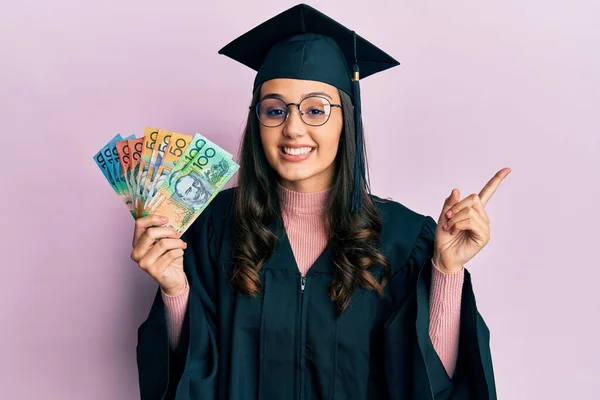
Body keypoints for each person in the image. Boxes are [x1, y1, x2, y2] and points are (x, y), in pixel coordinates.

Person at [131, 4, 509, 399]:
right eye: (274, 110)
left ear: (347, 118)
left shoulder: (403, 238)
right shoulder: (211, 229)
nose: (293, 128)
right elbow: (188, 375)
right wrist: (175, 290)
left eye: (315, 110)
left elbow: (432, 382)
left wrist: (447, 271)